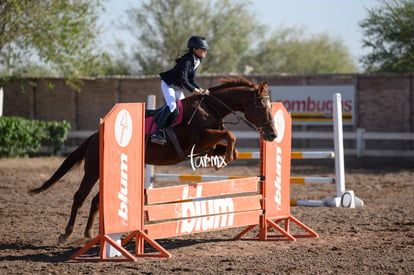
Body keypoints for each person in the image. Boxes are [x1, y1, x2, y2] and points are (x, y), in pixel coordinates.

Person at [151, 36, 210, 145]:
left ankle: (176, 131)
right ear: (194, 49)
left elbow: (191, 79)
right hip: (168, 84)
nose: (205, 51)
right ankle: (158, 132)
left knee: (183, 108)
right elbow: (184, 80)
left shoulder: (196, 60)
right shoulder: (187, 60)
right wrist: (195, 91)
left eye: (205, 49)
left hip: (177, 87)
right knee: (172, 106)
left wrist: (201, 89)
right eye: (203, 49)